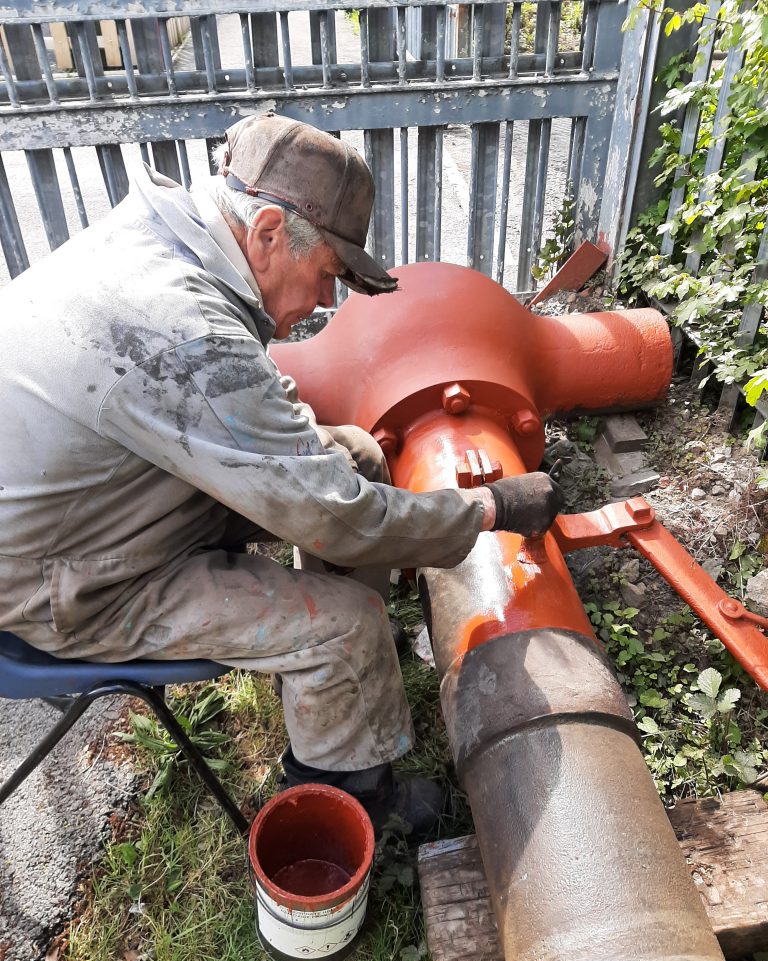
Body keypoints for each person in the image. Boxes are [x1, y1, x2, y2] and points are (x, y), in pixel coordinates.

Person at [0, 113, 563, 837]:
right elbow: (336, 514)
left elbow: (299, 455)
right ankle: (347, 793)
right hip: (67, 582)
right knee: (345, 626)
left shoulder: (164, 239)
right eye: (327, 273)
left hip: (103, 503)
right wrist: (489, 508)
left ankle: (345, 687)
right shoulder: (182, 330)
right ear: (268, 231)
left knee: (356, 453)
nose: (327, 302)